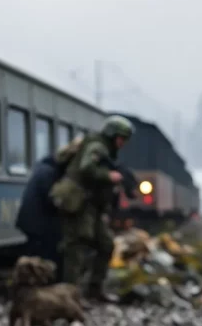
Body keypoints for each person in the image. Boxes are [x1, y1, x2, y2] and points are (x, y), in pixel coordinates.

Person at [49, 115, 134, 301]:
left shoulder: (106, 150)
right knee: (76, 248)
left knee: (106, 244)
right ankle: (69, 297)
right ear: (112, 135)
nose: (123, 143)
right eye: (121, 138)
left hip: (90, 206)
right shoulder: (98, 146)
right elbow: (86, 167)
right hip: (76, 203)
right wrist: (109, 176)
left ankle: (94, 290)